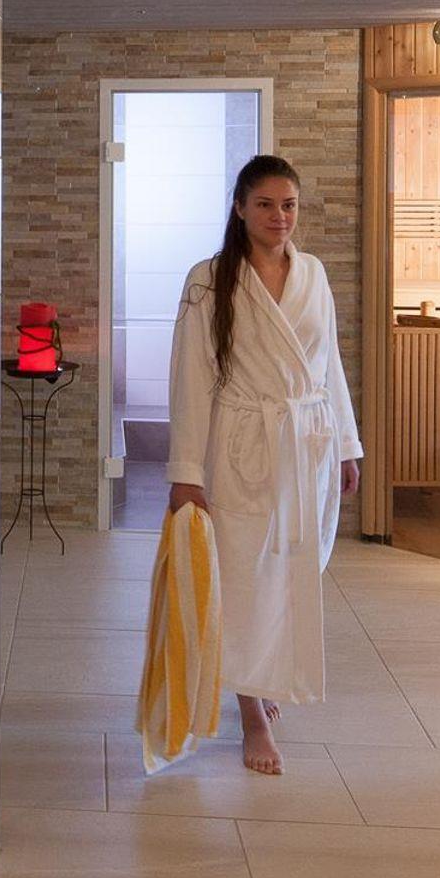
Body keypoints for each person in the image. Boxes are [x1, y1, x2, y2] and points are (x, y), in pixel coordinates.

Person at [164, 155, 362, 775]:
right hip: (241, 447)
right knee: (244, 579)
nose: (280, 217)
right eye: (266, 205)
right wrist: (185, 470)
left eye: (289, 205)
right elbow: (191, 377)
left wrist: (347, 445)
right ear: (240, 208)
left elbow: (328, 365)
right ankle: (250, 712)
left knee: (292, 571)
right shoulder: (209, 280)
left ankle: (267, 675)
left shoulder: (313, 275)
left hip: (307, 446)